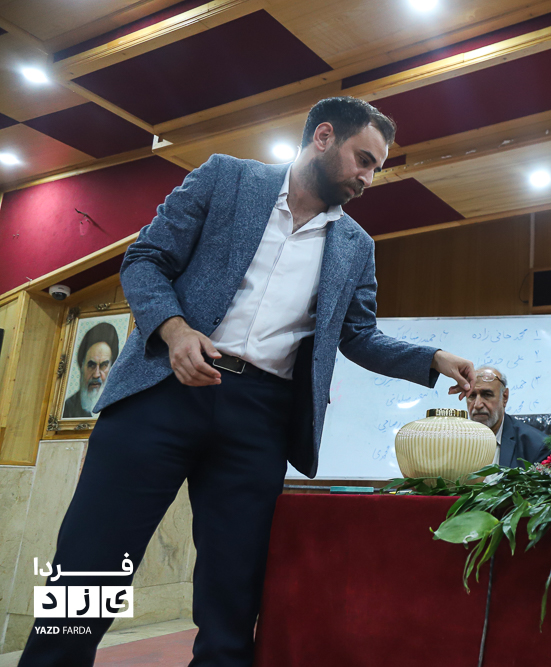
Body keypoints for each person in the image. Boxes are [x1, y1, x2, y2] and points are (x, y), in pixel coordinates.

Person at [20, 96, 475, 667]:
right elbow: (145, 259)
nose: (367, 178)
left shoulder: (356, 246)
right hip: (162, 391)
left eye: (375, 169)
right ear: (324, 137)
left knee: (233, 594)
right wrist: (175, 331)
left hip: (260, 418)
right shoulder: (226, 179)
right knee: (90, 567)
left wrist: (433, 358)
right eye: (363, 160)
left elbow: (358, 335)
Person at [466, 366, 550, 467]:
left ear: (504, 397)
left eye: (487, 395)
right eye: (472, 396)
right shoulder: (456, 442)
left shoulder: (536, 447)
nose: (477, 405)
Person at [63, 322, 120, 418]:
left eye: (103, 365)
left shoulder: (119, 406)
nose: (96, 374)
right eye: (91, 365)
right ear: (82, 366)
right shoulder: (67, 408)